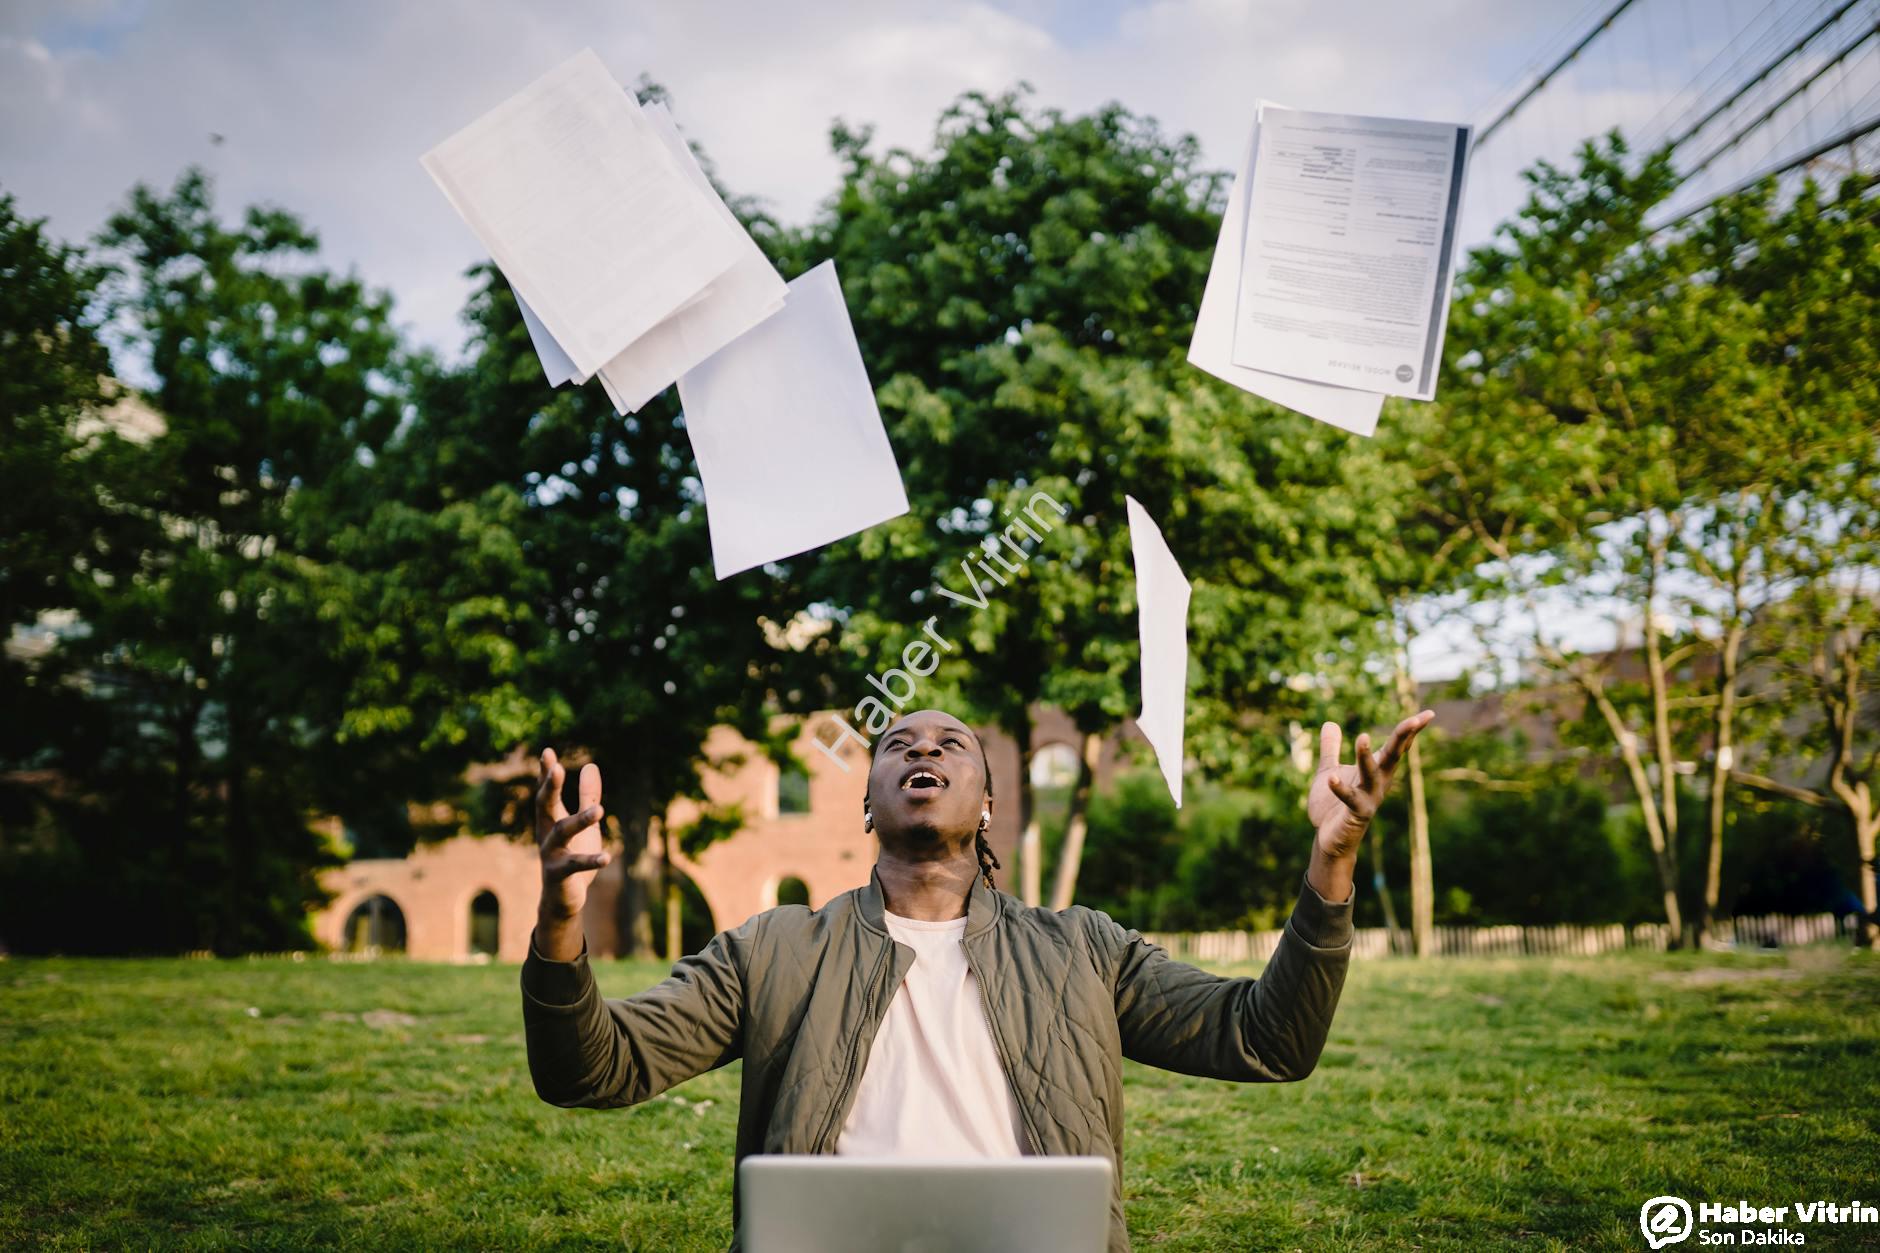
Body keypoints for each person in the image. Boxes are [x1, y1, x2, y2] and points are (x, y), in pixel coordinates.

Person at [521, 706, 1435, 1252]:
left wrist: (1333, 861)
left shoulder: (1082, 946)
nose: (924, 750)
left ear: (988, 803)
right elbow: (592, 1070)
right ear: (868, 800)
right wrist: (562, 918)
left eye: (951, 743)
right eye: (898, 743)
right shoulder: (773, 947)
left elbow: (1266, 1039)